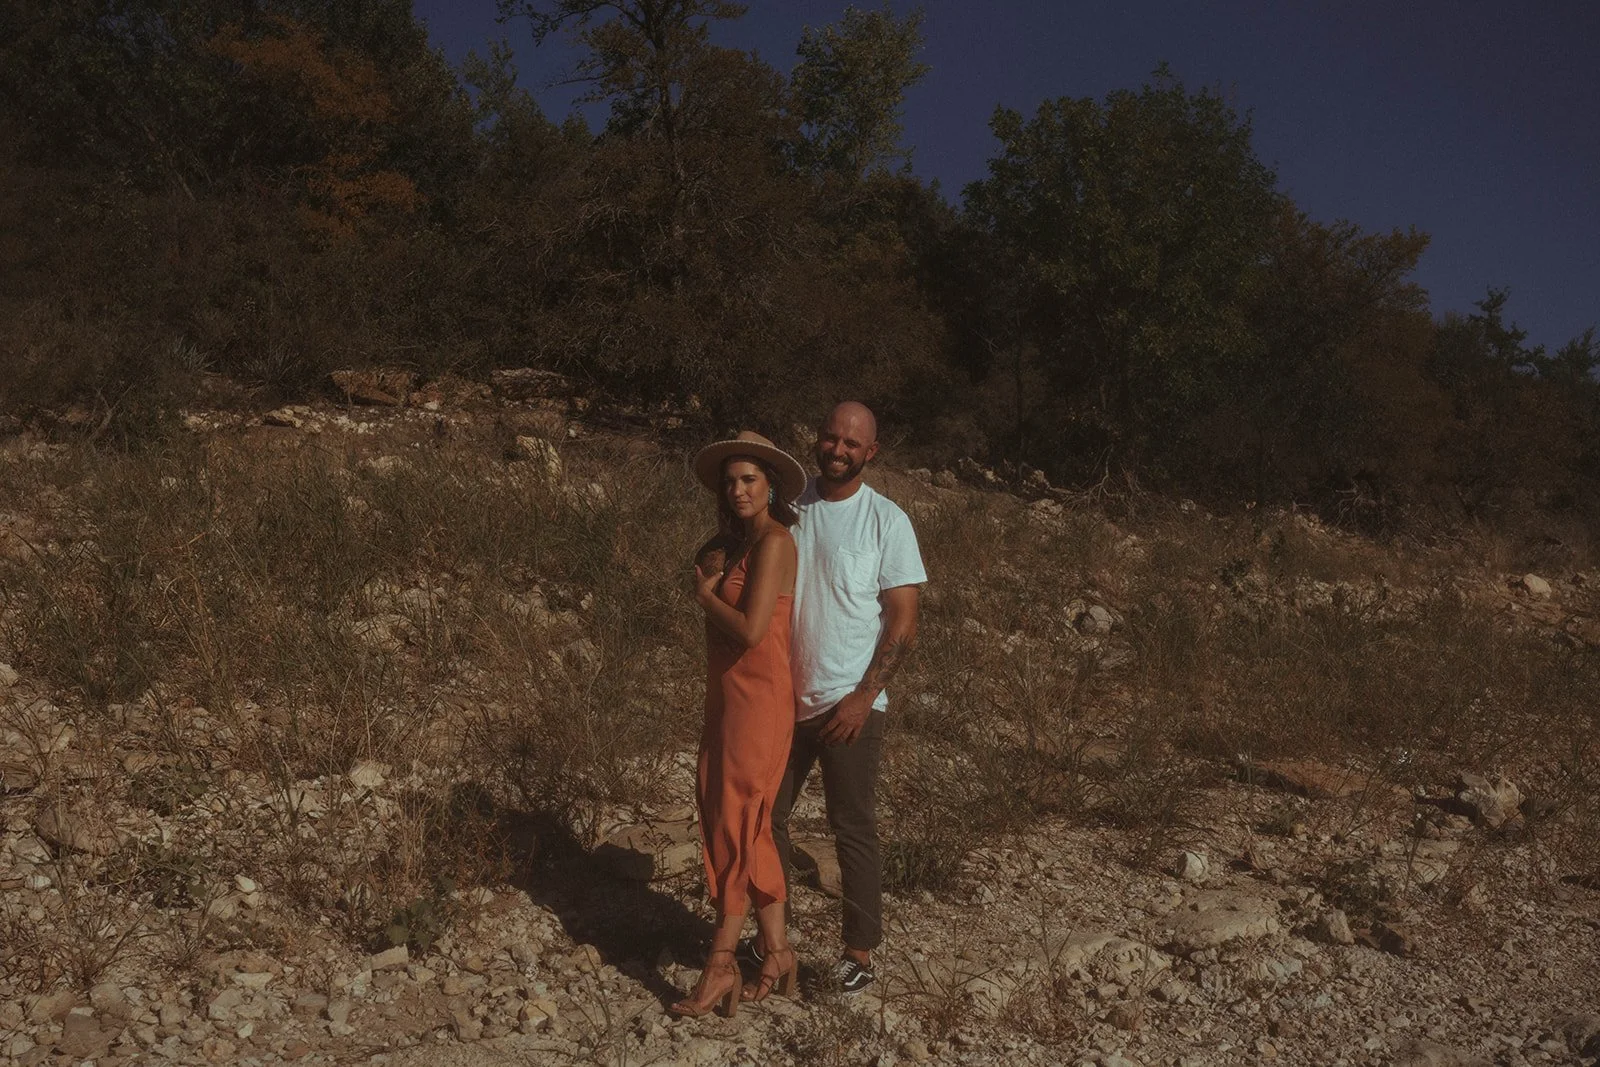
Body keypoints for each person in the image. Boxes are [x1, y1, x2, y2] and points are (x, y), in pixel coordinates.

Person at [748, 402, 926, 995]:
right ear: (817, 439)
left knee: (852, 826)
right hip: (783, 698)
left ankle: (859, 953)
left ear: (871, 452)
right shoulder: (789, 508)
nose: (838, 451)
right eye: (831, 438)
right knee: (764, 818)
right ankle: (774, 939)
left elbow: (903, 621)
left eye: (852, 444)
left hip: (849, 702)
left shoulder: (886, 521)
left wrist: (863, 697)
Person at [670, 431, 809, 1017]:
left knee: (736, 822)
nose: (738, 489)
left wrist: (705, 598)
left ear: (771, 485)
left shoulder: (775, 542)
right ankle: (778, 952)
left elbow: (752, 631)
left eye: (750, 479)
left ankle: (721, 963)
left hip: (760, 702)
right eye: (730, 481)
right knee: (742, 824)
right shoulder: (736, 545)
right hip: (727, 698)